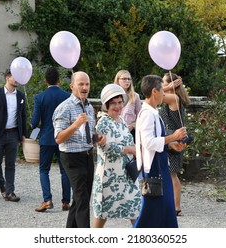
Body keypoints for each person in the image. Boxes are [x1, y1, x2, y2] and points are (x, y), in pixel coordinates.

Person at [133, 75, 186, 228]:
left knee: (164, 209)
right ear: (155, 91)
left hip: (160, 165)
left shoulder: (153, 113)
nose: (165, 92)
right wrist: (172, 137)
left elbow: (156, 140)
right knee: (152, 212)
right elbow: (148, 142)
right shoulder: (147, 114)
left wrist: (171, 144)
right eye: (163, 89)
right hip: (153, 169)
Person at [53, 71, 104, 228]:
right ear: (72, 86)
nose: (84, 87)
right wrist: (75, 124)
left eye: (87, 84)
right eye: (81, 84)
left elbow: (89, 134)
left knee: (82, 197)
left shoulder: (88, 107)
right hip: (71, 157)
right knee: (82, 198)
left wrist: (97, 138)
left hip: (87, 156)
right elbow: (58, 138)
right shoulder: (64, 108)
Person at [92, 84, 141, 228]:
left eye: (120, 102)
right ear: (106, 105)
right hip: (109, 175)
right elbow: (107, 147)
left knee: (135, 208)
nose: (117, 106)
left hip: (127, 174)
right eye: (113, 103)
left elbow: (129, 141)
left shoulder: (123, 121)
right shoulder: (103, 122)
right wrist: (130, 150)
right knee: (102, 214)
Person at [31, 67, 71, 212]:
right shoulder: (67, 96)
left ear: (45, 81)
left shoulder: (40, 97)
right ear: (59, 80)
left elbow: (34, 121)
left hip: (47, 138)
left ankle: (47, 200)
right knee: (65, 170)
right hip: (64, 137)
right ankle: (66, 201)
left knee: (44, 170)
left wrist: (35, 126)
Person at [0, 69, 27, 202]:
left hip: (13, 134)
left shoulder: (20, 96)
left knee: (11, 164)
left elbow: (23, 116)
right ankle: (2, 185)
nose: (18, 80)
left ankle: (10, 192)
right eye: (15, 77)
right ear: (7, 78)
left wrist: (23, 134)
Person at [160, 72, 190, 216]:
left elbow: (155, 96)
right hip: (171, 138)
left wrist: (167, 88)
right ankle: (173, 205)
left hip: (174, 139)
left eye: (163, 83)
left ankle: (176, 207)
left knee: (172, 175)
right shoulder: (174, 98)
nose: (161, 86)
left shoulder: (173, 97)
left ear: (171, 85)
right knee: (171, 173)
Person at [114, 70, 141, 140]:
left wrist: (133, 125)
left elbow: (140, 115)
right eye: (124, 79)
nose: (127, 81)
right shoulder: (112, 96)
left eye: (129, 79)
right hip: (115, 130)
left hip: (130, 132)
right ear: (118, 80)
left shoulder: (135, 96)